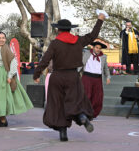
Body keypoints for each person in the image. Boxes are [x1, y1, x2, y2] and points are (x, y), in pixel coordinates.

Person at [33, 14, 105, 142]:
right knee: (76, 101)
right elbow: (93, 35)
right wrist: (99, 20)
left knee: (58, 105)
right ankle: (82, 116)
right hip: (73, 76)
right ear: (70, 29)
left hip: (57, 76)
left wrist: (36, 74)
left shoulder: (55, 43)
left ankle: (63, 134)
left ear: (58, 29)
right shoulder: (78, 40)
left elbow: (45, 60)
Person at [79, 41, 111, 118]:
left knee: (98, 97)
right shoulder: (86, 53)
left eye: (99, 48)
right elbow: (80, 63)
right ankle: (84, 112)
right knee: (87, 95)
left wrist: (108, 77)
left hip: (98, 79)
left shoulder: (103, 57)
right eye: (96, 47)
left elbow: (105, 68)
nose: (98, 49)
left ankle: (92, 113)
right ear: (93, 47)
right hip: (87, 77)